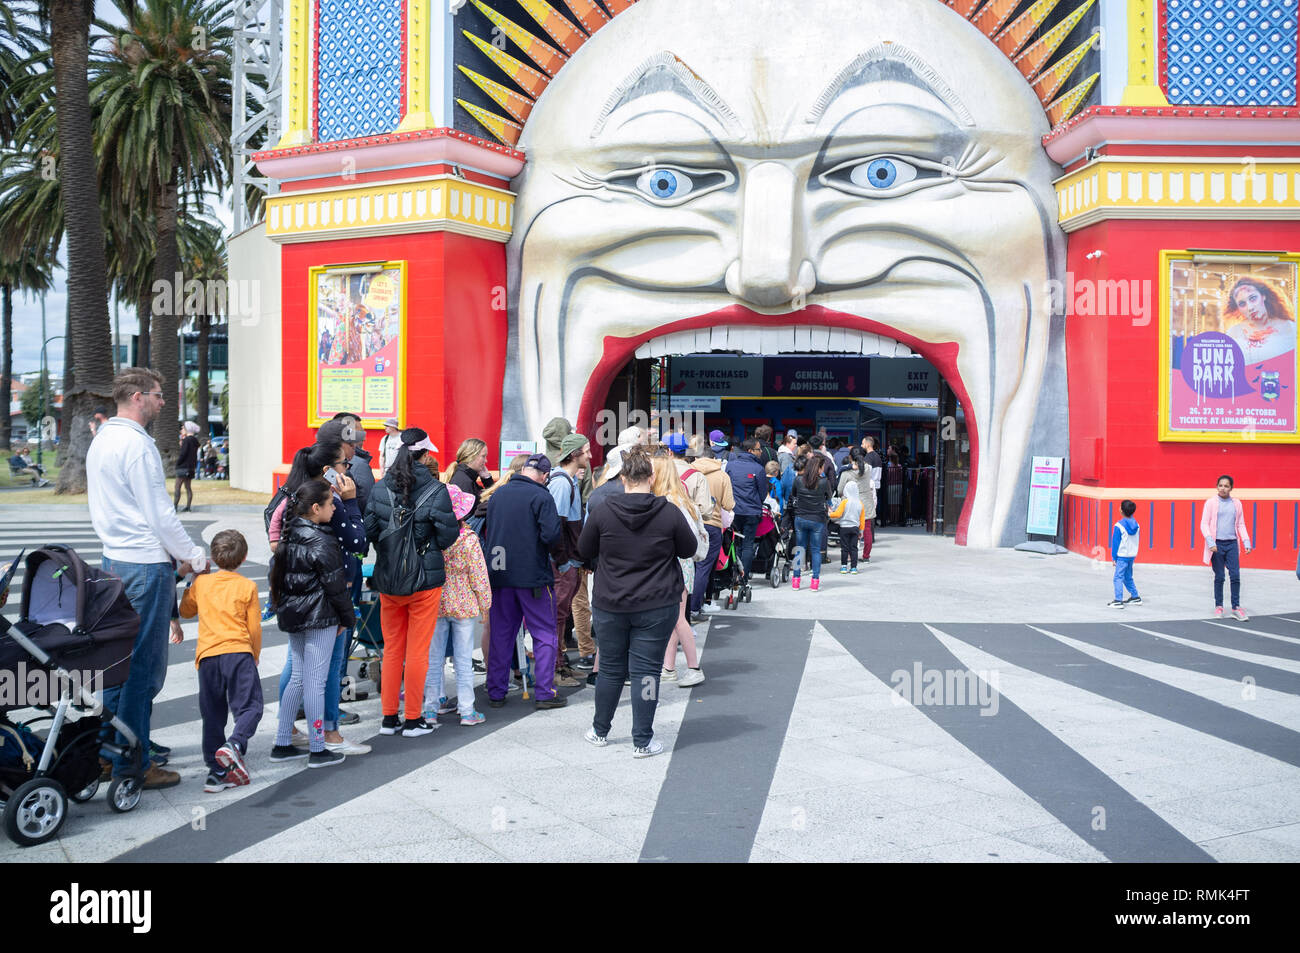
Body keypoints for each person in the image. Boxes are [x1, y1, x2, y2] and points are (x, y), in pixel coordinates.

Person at [87, 367, 207, 790]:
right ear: (137, 396)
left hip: (112, 561)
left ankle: (106, 752)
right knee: (143, 669)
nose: (162, 402)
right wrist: (192, 555)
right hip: (143, 565)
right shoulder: (137, 446)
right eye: (158, 395)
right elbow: (160, 513)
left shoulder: (102, 439)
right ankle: (132, 764)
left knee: (117, 664)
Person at [578, 447, 697, 756]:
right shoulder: (668, 511)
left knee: (611, 669)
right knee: (646, 671)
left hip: (610, 602)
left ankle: (600, 730)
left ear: (622, 478)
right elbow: (688, 549)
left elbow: (583, 549)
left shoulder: (604, 510)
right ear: (652, 476)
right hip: (657, 603)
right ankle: (642, 740)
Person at [364, 427, 460, 737]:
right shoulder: (436, 490)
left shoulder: (380, 489)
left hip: (389, 579)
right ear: (426, 454)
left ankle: (389, 718)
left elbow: (370, 531)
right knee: (418, 651)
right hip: (425, 579)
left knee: (392, 649)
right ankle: (414, 719)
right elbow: (448, 537)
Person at [268, 481, 356, 768]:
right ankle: (318, 748)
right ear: (316, 508)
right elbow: (335, 585)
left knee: (297, 678)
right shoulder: (323, 540)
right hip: (321, 616)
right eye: (331, 503)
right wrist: (347, 618)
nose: (334, 508)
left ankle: (282, 742)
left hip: (294, 615)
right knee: (316, 683)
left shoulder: (288, 535)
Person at [179, 530, 264, 792]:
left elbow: (185, 611)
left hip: (208, 657)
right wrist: (255, 654)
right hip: (238, 652)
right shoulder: (247, 587)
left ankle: (216, 771)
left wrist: (193, 581)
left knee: (213, 713)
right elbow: (254, 628)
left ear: (214, 557)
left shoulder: (202, 584)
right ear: (244, 557)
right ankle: (235, 744)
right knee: (250, 706)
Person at [481, 453, 566, 710]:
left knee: (501, 633)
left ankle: (496, 691)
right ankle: (544, 692)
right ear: (544, 475)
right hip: (532, 576)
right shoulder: (541, 496)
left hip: (500, 573)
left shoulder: (498, 494)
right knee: (544, 633)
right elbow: (552, 535)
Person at [424, 485, 490, 726]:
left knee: (434, 659)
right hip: (463, 603)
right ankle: (467, 710)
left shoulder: (430, 536)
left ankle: (431, 708)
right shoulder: (468, 539)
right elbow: (479, 575)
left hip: (436, 601)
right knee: (463, 660)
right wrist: (485, 604)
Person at [652, 457, 709, 688]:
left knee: (677, 618)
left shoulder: (669, 503)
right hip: (683, 564)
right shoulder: (679, 499)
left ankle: (694, 667)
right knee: (676, 618)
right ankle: (669, 667)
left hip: (676, 563)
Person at [547, 433, 591, 685]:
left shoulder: (567, 480)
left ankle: (560, 664)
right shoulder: (563, 483)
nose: (589, 455)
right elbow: (557, 527)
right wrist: (564, 562)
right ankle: (555, 668)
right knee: (557, 616)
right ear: (574, 455)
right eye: (586, 451)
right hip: (563, 562)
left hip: (568, 560)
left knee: (560, 615)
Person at [685, 443, 734, 621]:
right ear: (714, 458)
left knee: (687, 566)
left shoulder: (687, 471)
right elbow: (729, 505)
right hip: (712, 525)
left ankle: (685, 607)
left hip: (688, 523)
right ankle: (695, 608)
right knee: (704, 568)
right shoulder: (722, 475)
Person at [1200, 475, 1252, 620]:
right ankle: (1219, 606)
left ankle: (1236, 607)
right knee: (1220, 577)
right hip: (1217, 545)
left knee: (1235, 576)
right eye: (1221, 485)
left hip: (1232, 544)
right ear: (1217, 486)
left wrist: (1246, 541)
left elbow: (1241, 524)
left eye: (1226, 486)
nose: (1223, 488)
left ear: (1231, 488)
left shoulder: (1237, 503)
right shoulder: (1210, 503)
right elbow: (1204, 524)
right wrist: (1211, 542)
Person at [1223, 276, 1297, 364]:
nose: (1250, 307)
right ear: (1237, 308)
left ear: (1263, 296)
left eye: (1253, 298)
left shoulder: (1291, 328)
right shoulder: (1233, 334)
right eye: (1242, 304)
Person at [789, 451, 833, 590]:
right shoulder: (824, 482)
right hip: (817, 519)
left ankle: (796, 580)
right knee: (815, 550)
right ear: (819, 468)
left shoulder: (798, 480)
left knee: (799, 549)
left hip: (800, 517)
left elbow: (794, 495)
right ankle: (814, 582)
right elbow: (829, 498)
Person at [726, 437, 768, 579]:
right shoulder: (758, 468)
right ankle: (744, 577)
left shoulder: (731, 466)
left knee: (735, 544)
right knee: (748, 545)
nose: (761, 452)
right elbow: (763, 493)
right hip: (752, 512)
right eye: (758, 449)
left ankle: (733, 575)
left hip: (734, 511)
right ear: (750, 450)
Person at [838, 447, 878, 562]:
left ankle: (850, 555)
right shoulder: (868, 468)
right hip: (866, 502)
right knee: (867, 530)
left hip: (851, 505)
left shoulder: (846, 472)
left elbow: (840, 490)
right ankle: (866, 556)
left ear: (850, 457)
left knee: (851, 530)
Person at [444, 437, 496, 515]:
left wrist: (487, 479)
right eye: (483, 456)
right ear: (472, 456)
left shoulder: (467, 477)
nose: (486, 460)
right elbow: (467, 516)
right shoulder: (464, 481)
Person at [1108, 500, 1142, 608]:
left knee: (1118, 577)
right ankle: (1135, 596)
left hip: (1122, 556)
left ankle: (1118, 600)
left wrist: (1114, 557)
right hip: (1131, 555)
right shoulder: (1137, 525)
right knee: (1128, 576)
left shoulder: (1118, 526)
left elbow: (1115, 543)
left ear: (1121, 511)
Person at [829, 481, 866, 574]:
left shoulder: (844, 502)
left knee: (844, 548)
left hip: (844, 528)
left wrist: (830, 514)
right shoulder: (860, 503)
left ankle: (844, 566)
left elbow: (838, 514)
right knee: (854, 548)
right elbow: (862, 519)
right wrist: (861, 530)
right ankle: (854, 567)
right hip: (855, 528)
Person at [175, 422, 201, 511]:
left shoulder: (186, 440)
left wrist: (178, 463)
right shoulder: (195, 441)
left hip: (183, 467)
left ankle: (174, 507)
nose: (181, 430)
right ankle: (188, 507)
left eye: (183, 428)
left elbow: (183, 454)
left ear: (187, 429)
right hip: (191, 468)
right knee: (188, 487)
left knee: (177, 487)